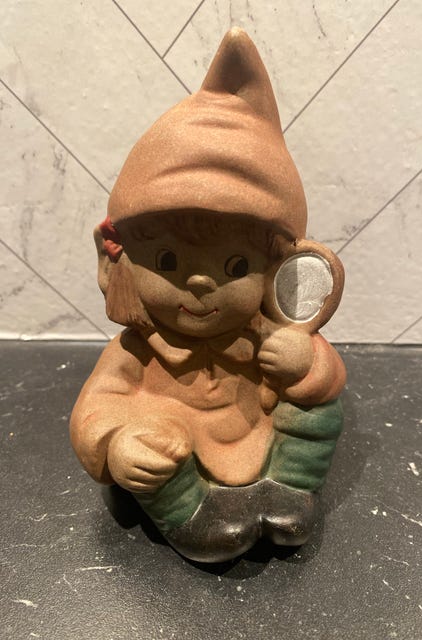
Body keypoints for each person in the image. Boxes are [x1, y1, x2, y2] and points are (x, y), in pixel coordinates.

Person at [70, 28, 346, 562]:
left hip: (257, 436)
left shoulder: (261, 330)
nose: (200, 284)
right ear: (122, 261)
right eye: (168, 262)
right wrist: (115, 445)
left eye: (236, 267)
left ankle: (290, 487)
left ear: (275, 271)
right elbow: (95, 407)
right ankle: (191, 516)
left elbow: (325, 376)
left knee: (317, 406)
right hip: (181, 449)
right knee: (153, 445)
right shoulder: (137, 350)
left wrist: (305, 362)